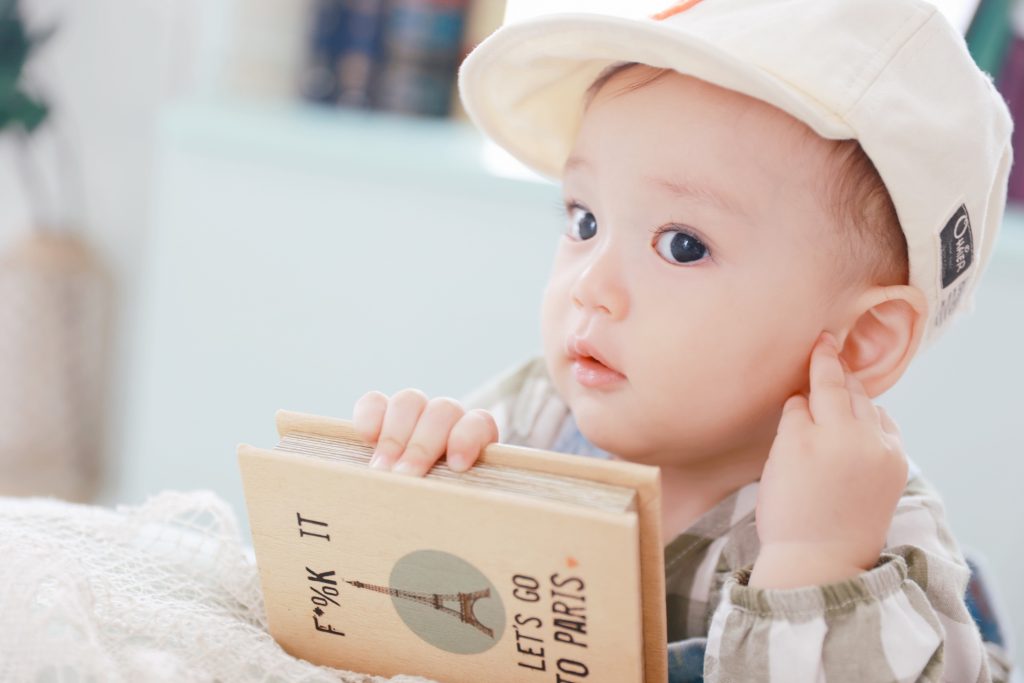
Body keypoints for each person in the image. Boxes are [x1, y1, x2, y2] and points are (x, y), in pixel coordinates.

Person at [351, 0, 1015, 680]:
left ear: (860, 341)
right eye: (584, 220)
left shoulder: (882, 542)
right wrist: (415, 482)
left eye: (682, 245)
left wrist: (815, 565)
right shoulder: (533, 414)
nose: (591, 285)